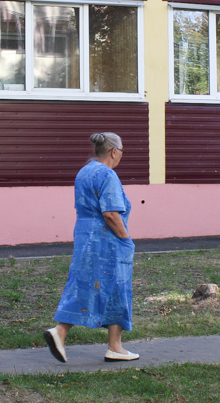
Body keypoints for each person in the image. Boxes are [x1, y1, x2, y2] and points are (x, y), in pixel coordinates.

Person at [44, 132, 139, 363]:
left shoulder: (84, 171)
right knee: (116, 286)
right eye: (122, 151)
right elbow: (111, 213)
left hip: (85, 236)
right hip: (107, 240)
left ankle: (114, 347)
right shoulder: (108, 174)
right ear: (114, 151)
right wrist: (126, 239)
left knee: (87, 283)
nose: (122, 155)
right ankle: (61, 332)